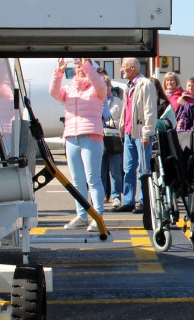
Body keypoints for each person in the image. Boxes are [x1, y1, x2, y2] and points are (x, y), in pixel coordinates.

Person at [50, 58, 108, 232]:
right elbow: (53, 92)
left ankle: (97, 216)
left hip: (91, 135)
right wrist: (58, 72)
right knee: (77, 180)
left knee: (93, 178)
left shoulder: (97, 87)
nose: (80, 69)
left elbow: (99, 84)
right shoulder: (69, 88)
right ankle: (82, 215)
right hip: (71, 136)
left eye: (83, 66)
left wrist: (87, 66)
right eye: (77, 67)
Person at [113, 58, 158, 214]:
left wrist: (147, 132)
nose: (121, 70)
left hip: (140, 133)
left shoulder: (145, 84)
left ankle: (144, 201)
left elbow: (150, 110)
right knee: (128, 168)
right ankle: (128, 200)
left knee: (143, 169)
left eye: (124, 67)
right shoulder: (128, 86)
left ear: (133, 67)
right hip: (128, 132)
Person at [104, 83, 125, 210]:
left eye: (107, 86)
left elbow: (118, 117)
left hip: (113, 137)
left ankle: (116, 196)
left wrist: (107, 121)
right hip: (99, 136)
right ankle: (102, 195)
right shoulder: (95, 99)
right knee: (101, 170)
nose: (105, 89)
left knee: (115, 169)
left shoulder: (117, 101)